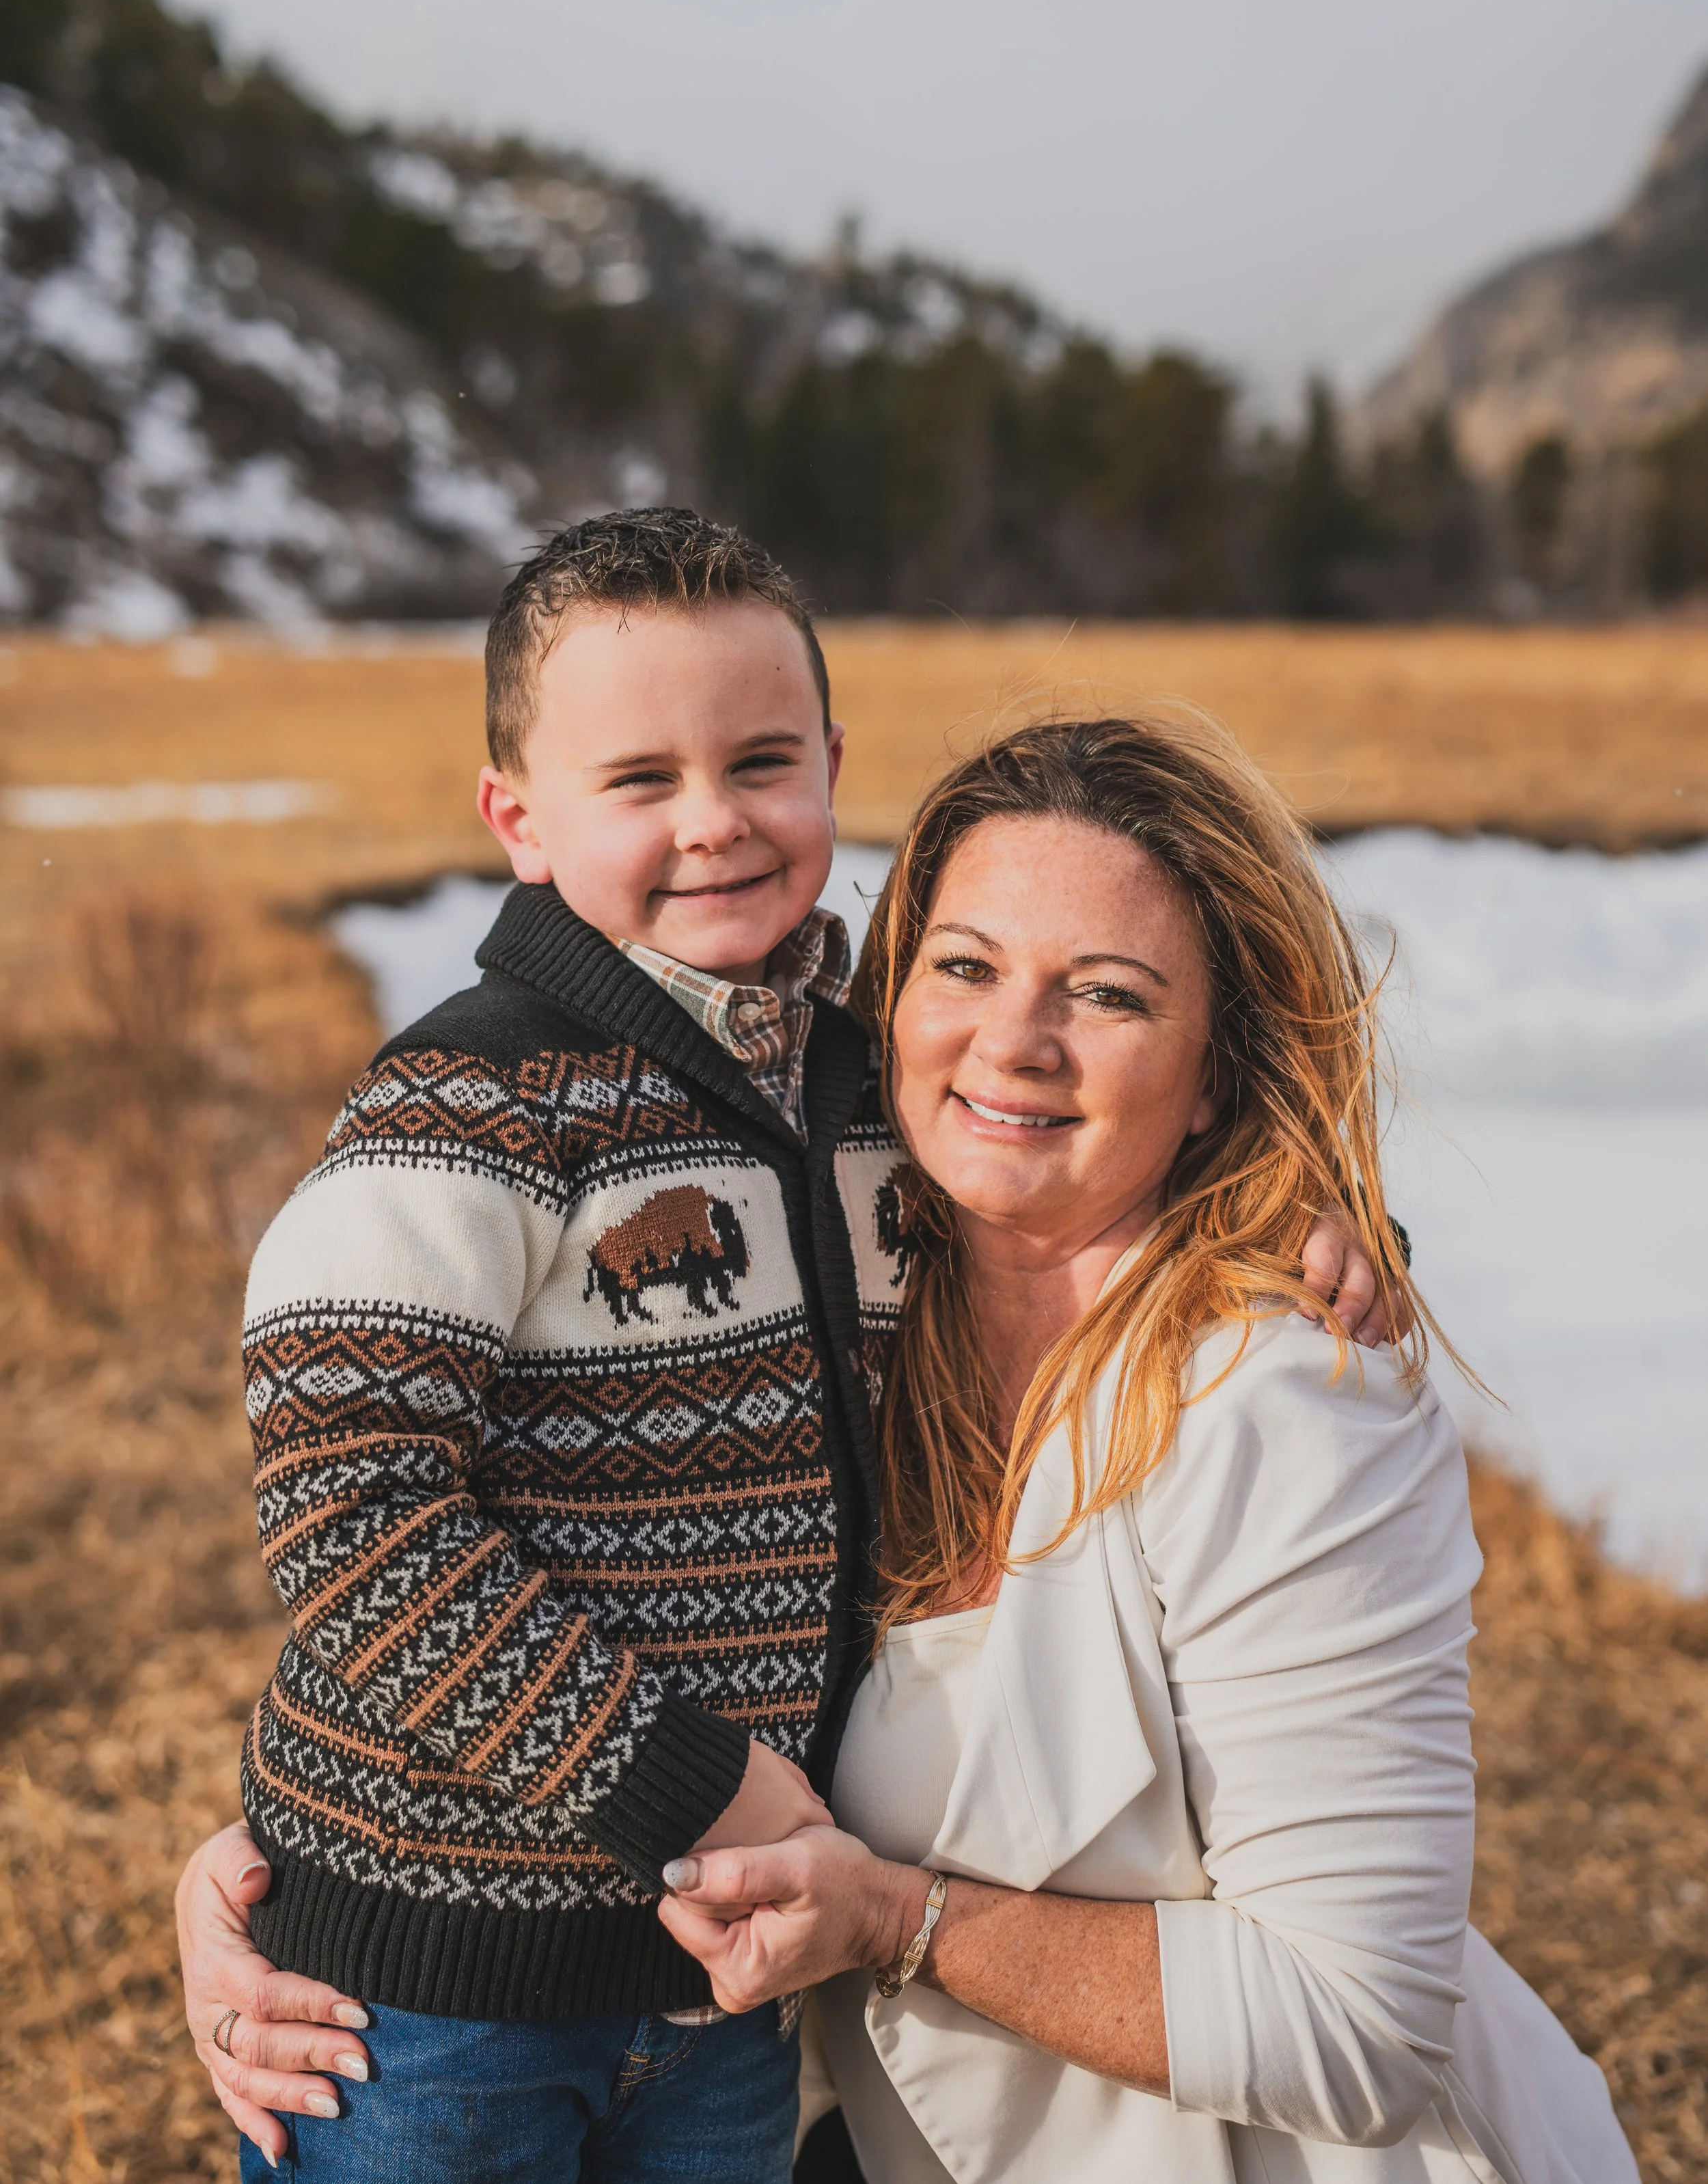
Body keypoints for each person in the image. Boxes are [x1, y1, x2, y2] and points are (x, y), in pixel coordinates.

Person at [179, 521, 1391, 2181]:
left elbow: (1089, 1170)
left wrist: (1296, 1221)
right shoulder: (466, 1101)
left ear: (832, 763)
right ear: (516, 820)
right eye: (640, 779)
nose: (714, 820)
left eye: (761, 760)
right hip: (434, 1990)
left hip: (724, 1991)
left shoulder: (862, 1082)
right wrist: (683, 1788)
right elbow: (351, 1515)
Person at [648, 714, 1639, 2183]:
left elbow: (1354, 2026)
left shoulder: (1284, 1399)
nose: (1010, 1041)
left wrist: (893, 1918)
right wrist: (278, 1870)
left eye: (1104, 995)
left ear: (1217, 1072)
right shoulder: (844, 1324)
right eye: (965, 965)